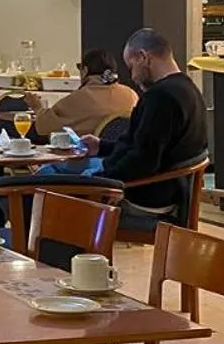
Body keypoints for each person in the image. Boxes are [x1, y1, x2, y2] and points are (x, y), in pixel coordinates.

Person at [58, 28, 207, 234]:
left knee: (43, 189)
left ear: (143, 57)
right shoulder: (188, 89)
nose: (133, 76)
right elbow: (147, 146)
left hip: (144, 199)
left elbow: (143, 160)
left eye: (131, 67)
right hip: (168, 188)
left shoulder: (161, 98)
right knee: (61, 170)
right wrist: (102, 146)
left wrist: (100, 178)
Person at [27, 49, 139, 139]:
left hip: (86, 158)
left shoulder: (81, 98)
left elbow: (44, 126)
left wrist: (37, 108)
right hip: (122, 157)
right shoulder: (131, 94)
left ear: (85, 70)